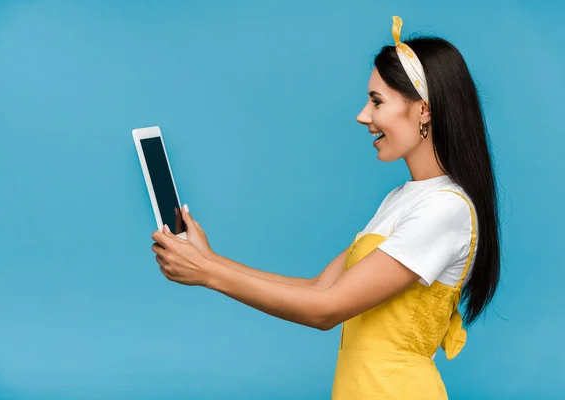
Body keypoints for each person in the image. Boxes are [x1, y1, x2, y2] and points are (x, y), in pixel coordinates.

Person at [151, 15, 501, 399]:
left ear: (424, 110)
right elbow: (321, 286)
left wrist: (208, 273)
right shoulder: (403, 199)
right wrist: (211, 259)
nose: (363, 116)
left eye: (377, 101)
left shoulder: (444, 210)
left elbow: (326, 309)